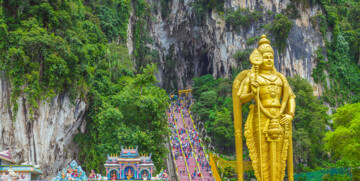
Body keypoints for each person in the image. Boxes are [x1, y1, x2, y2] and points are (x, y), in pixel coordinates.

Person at [234, 35, 296, 181]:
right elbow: (240, 98)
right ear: (259, 59)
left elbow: (291, 97)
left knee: (280, 156)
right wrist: (252, 93)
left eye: (271, 57)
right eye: (265, 57)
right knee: (262, 156)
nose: (269, 60)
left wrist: (290, 114)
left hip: (280, 116)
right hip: (260, 117)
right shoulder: (252, 77)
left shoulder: (281, 78)